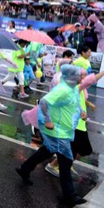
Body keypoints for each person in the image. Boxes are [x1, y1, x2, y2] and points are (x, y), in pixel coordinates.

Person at [16, 65, 88, 206]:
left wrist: (81, 112)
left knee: (46, 151)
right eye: (81, 75)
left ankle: (25, 169)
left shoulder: (72, 89)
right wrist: (48, 121)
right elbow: (44, 102)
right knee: (66, 161)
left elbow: (75, 104)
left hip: (64, 131)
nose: (83, 78)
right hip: (57, 131)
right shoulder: (62, 90)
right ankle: (69, 196)